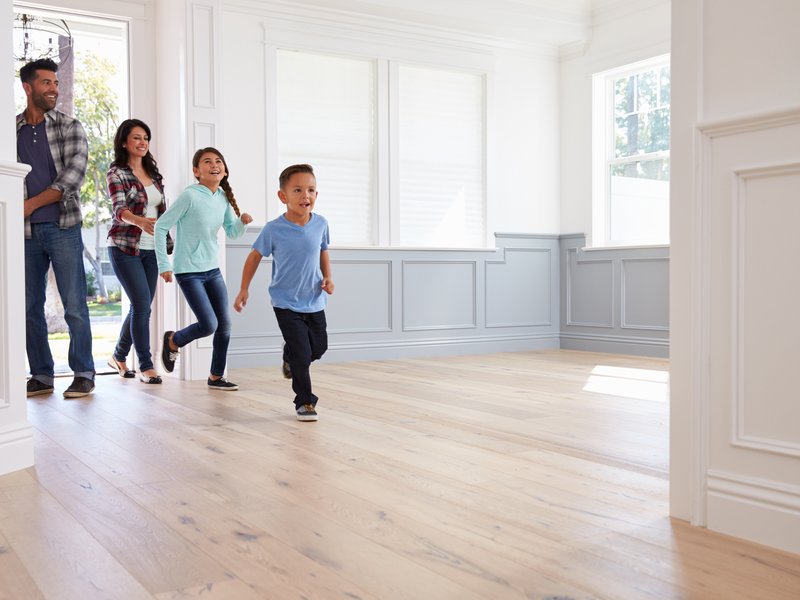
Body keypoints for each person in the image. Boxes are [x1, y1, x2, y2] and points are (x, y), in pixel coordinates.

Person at [17, 58, 95, 399]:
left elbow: (72, 178)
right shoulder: (11, 130)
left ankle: (84, 372)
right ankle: (41, 375)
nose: (54, 89)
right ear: (28, 87)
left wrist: (30, 205)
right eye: (46, 83)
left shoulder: (69, 126)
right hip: (23, 234)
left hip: (63, 226)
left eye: (56, 83)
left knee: (74, 305)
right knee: (29, 306)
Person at [234, 164, 333, 421]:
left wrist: (328, 277)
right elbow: (254, 257)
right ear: (283, 196)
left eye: (310, 190)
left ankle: (289, 355)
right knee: (302, 355)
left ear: (316, 194)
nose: (305, 195)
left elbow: (323, 251)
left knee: (318, 348)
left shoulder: (321, 224)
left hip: (314, 300)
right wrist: (244, 288)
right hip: (285, 303)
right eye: (297, 190)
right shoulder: (273, 229)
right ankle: (305, 402)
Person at [154, 147, 252, 390]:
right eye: (207, 162)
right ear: (196, 171)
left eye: (218, 161)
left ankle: (216, 376)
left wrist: (242, 222)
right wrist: (164, 264)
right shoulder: (190, 196)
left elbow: (232, 232)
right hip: (188, 271)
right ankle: (173, 340)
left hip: (212, 269)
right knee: (209, 324)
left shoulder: (222, 197)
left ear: (224, 170)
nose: (214, 165)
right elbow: (160, 226)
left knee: (224, 325)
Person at [106, 119, 170, 385]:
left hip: (152, 249)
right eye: (136, 137)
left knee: (140, 306)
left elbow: (162, 212)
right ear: (124, 142)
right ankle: (146, 365)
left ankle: (118, 356)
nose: (142, 142)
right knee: (142, 306)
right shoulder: (116, 173)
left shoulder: (154, 175)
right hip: (125, 246)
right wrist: (139, 221)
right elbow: (118, 209)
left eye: (146, 138)